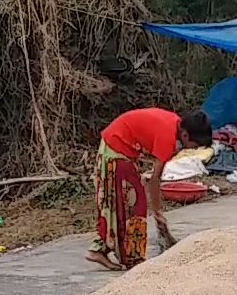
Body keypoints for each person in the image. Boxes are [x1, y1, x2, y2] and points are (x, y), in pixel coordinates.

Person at [86, 107, 212, 271]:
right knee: (131, 206)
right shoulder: (167, 138)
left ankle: (99, 248)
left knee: (122, 204)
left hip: (120, 148)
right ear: (186, 135)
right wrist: (158, 212)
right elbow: (155, 180)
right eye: (194, 145)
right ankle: (132, 259)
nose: (193, 149)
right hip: (116, 149)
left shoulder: (174, 124)